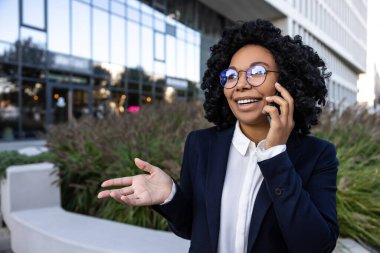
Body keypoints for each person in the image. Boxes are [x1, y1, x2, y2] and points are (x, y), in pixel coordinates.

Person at [98, 19, 339, 253]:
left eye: (257, 72)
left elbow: (316, 246)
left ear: (285, 80)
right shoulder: (200, 144)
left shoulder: (318, 155)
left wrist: (276, 157)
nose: (240, 84)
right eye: (231, 75)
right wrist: (169, 195)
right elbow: (191, 229)